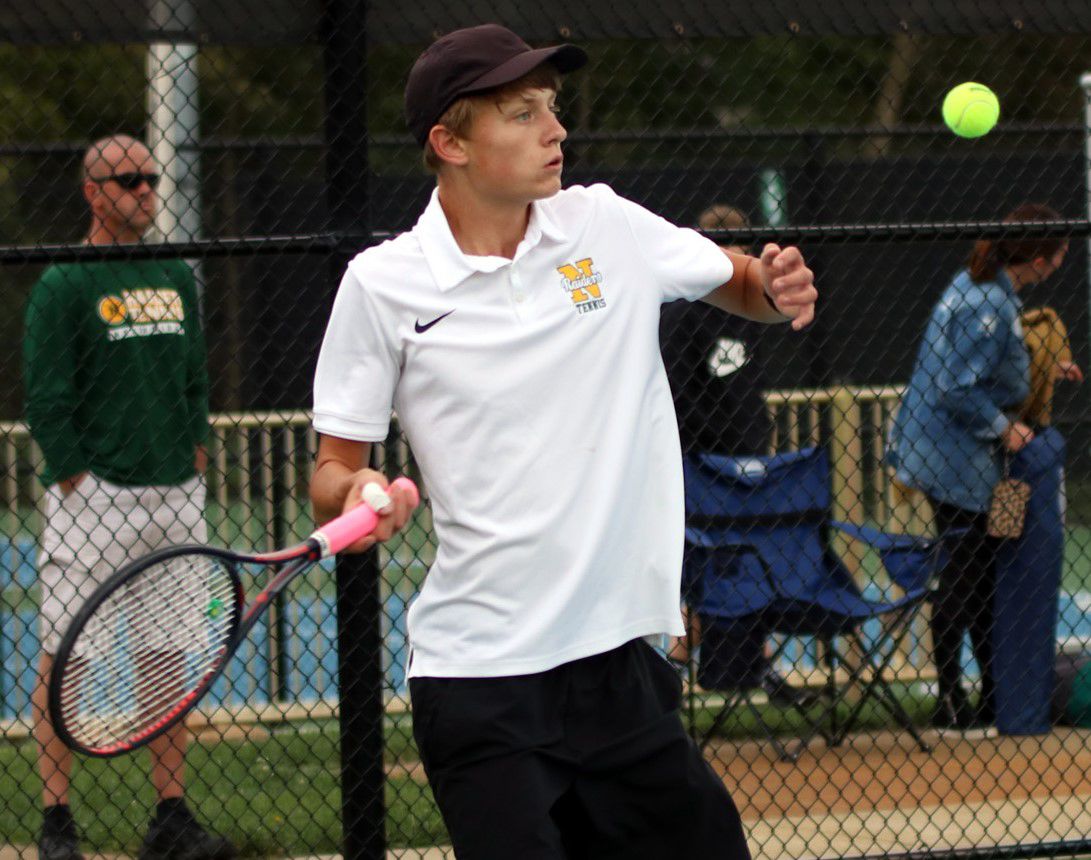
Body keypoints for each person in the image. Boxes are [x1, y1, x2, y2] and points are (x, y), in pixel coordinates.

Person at [309, 24, 816, 859]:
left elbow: (737, 282)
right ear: (450, 143)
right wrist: (359, 494)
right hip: (479, 682)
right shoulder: (382, 284)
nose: (556, 131)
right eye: (520, 114)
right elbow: (334, 466)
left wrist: (773, 286)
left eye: (551, 108)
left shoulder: (604, 223)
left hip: (620, 666)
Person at [23, 135, 233, 860]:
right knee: (67, 657)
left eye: (150, 179)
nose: (145, 191)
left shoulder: (175, 274)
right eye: (128, 181)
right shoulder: (64, 284)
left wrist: (195, 446)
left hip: (175, 490)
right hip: (96, 500)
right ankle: (56, 823)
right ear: (93, 194)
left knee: (167, 656)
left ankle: (170, 816)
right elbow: (46, 397)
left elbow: (192, 376)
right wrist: (80, 475)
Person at [887, 203, 1071, 731]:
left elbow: (991, 366)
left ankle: (991, 697)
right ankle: (951, 702)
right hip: (955, 459)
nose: (1058, 265)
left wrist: (1043, 368)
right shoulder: (986, 304)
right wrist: (1003, 426)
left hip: (962, 455)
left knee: (981, 573)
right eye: (1058, 255)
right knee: (966, 576)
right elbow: (956, 387)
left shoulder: (983, 288)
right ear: (1040, 259)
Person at [660, 203, 810, 706]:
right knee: (702, 568)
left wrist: (755, 442)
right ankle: (674, 666)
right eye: (725, 255)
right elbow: (679, 393)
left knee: (751, 565)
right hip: (697, 468)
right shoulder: (680, 313)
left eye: (741, 257)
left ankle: (756, 664)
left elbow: (744, 387)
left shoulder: (748, 311)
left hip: (748, 468)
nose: (735, 270)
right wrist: (701, 455)